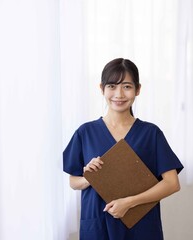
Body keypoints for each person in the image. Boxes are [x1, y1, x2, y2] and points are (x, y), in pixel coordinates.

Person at [63, 58, 184, 240]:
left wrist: (129, 203)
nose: (119, 94)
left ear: (138, 90)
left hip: (141, 225)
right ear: (101, 88)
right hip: (98, 223)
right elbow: (74, 182)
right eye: (112, 86)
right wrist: (90, 178)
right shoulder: (85, 132)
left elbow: (172, 183)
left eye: (127, 86)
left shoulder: (151, 133)